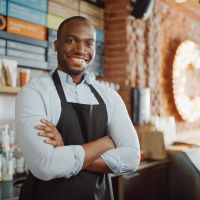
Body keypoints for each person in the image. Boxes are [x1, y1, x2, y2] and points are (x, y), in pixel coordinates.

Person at [15, 16, 140, 200]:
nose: (81, 50)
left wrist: (65, 149)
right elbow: (45, 165)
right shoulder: (35, 92)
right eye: (71, 40)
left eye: (89, 44)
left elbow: (131, 158)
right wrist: (105, 143)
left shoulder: (109, 96)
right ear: (56, 45)